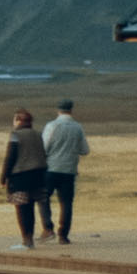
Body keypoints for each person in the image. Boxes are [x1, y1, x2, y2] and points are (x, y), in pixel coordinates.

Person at [38, 98, 91, 244]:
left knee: (43, 198)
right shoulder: (77, 127)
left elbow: (44, 147)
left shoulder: (52, 126)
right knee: (66, 203)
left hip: (51, 168)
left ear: (58, 110)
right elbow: (85, 150)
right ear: (71, 110)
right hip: (69, 170)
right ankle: (63, 235)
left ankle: (48, 228)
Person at [0, 108, 46, 250]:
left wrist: (3, 177)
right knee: (31, 208)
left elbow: (10, 157)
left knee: (22, 209)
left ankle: (26, 241)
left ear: (18, 121)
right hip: (39, 176)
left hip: (20, 178)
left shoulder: (15, 135)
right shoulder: (38, 134)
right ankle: (29, 239)